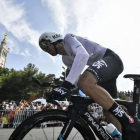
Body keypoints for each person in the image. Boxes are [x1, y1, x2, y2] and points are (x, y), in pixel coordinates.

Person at [38, 32, 140, 140]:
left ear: (54, 39)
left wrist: (66, 85)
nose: (44, 49)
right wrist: (63, 89)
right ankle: (124, 136)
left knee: (85, 82)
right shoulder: (65, 59)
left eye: (45, 44)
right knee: (107, 110)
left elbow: (83, 55)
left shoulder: (68, 39)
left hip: (111, 59)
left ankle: (129, 122)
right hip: (103, 72)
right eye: (42, 48)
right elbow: (76, 79)